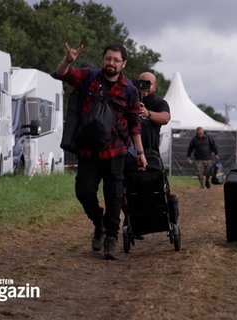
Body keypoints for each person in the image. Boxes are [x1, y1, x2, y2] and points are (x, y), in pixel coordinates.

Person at [53, 42, 147, 260]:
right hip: (88, 150)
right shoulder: (89, 77)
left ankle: (111, 239)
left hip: (116, 151)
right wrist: (67, 60)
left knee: (114, 196)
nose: (111, 63)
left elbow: (134, 125)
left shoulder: (130, 90)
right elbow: (61, 75)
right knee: (84, 192)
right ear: (103, 59)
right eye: (108, 58)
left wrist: (140, 153)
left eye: (116, 60)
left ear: (124, 63)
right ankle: (99, 221)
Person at [136, 72, 171, 153]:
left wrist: (148, 113)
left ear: (154, 87)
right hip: (129, 151)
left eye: (148, 84)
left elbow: (165, 118)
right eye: (142, 83)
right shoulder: (130, 100)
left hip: (150, 151)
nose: (144, 87)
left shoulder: (159, 103)